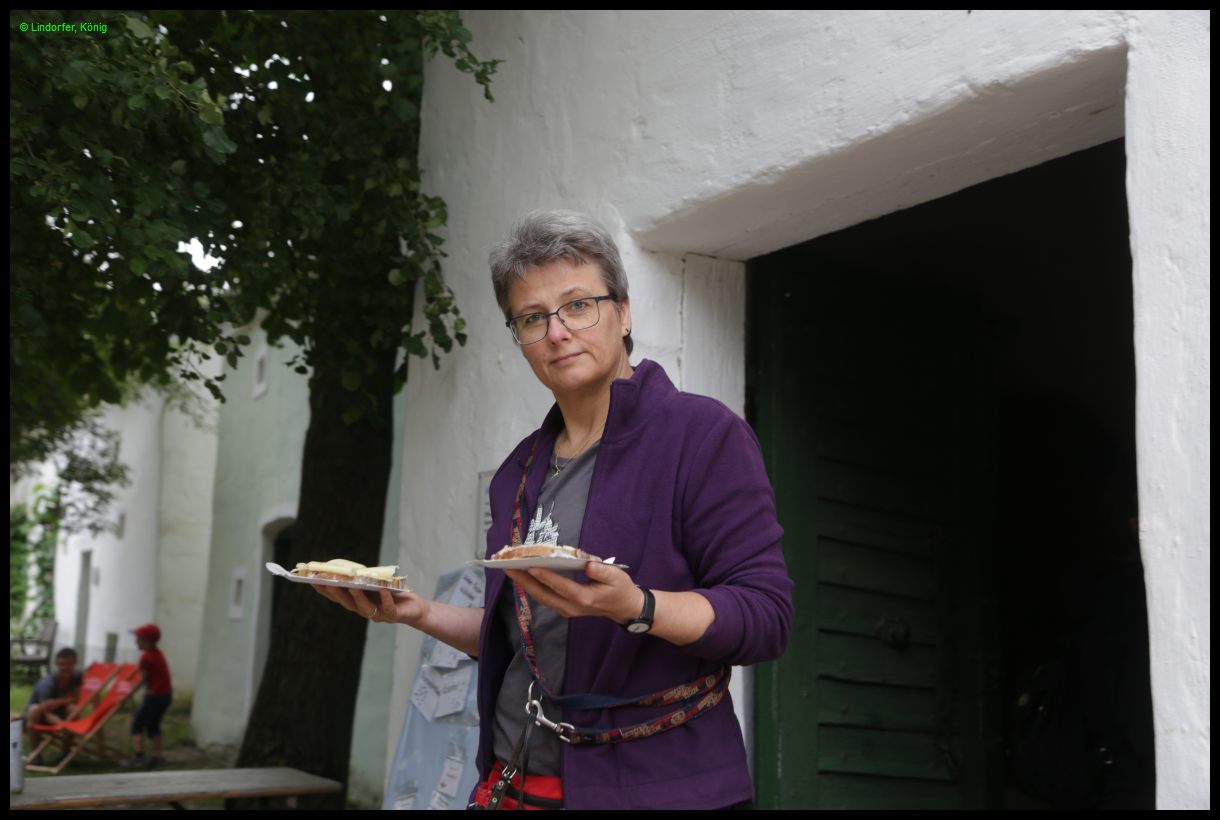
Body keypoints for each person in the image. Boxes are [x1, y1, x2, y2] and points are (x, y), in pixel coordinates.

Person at [313, 210, 794, 809]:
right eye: (532, 317)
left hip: (658, 790)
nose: (557, 332)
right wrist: (417, 612)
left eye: (578, 305)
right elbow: (523, 638)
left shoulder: (701, 436)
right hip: (516, 783)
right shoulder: (518, 471)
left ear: (623, 313)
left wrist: (636, 606)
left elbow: (766, 617)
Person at [122, 623, 173, 769]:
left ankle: (139, 757)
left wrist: (130, 692)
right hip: (166, 695)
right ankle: (157, 756)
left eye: (139, 639)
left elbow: (143, 679)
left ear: (147, 641)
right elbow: (148, 673)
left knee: (137, 725)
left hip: (154, 697)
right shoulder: (158, 654)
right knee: (153, 725)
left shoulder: (146, 658)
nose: (136, 641)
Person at [26, 647, 83, 729]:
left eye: (70, 664)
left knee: (73, 708)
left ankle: (70, 735)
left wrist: (57, 702)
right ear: (56, 664)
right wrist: (63, 726)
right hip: (41, 714)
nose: (66, 667)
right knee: (34, 710)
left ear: (75, 663)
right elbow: (47, 712)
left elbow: (75, 699)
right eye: (62, 664)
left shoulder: (77, 675)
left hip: (59, 710)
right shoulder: (47, 684)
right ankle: (35, 738)